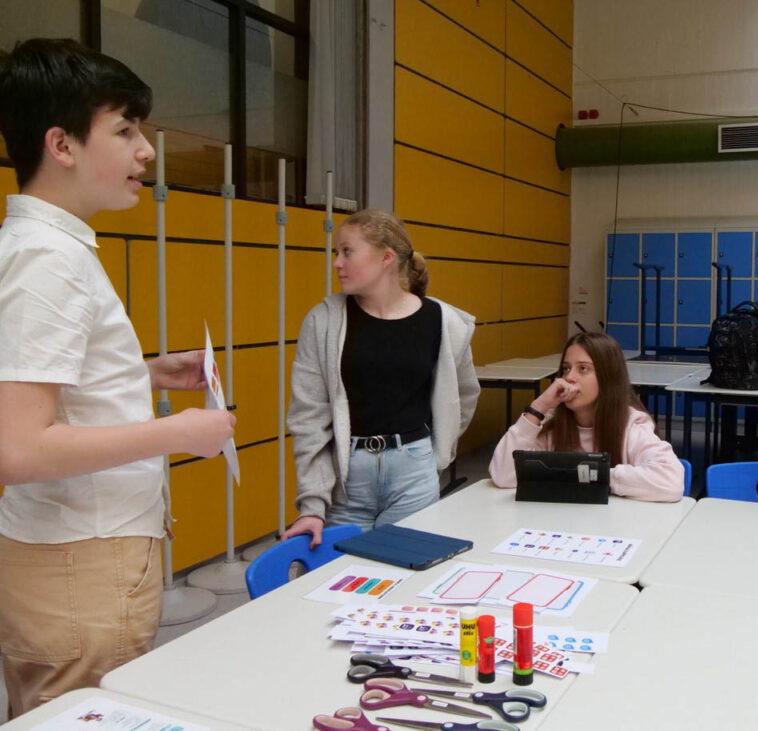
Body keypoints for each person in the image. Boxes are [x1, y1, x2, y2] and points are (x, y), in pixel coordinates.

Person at [0, 38, 236, 716]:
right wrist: (177, 431)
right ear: (62, 145)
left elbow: (47, 387)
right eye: (125, 129)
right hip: (78, 566)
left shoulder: (53, 245)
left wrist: (146, 372)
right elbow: (19, 448)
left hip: (82, 556)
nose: (148, 151)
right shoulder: (46, 258)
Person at [283, 209, 479, 542]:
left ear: (386, 257)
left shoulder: (443, 322)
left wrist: (433, 456)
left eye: (347, 251)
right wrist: (313, 505)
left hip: (414, 471)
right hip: (346, 483)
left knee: (406, 575)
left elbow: (463, 395)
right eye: (336, 252)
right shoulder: (323, 322)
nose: (336, 262)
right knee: (343, 582)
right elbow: (308, 419)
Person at [489, 331, 684, 501]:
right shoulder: (551, 424)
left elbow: (671, 481)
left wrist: (592, 475)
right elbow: (503, 476)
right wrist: (538, 407)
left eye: (583, 368)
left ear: (607, 378)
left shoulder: (631, 426)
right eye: (566, 368)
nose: (569, 377)